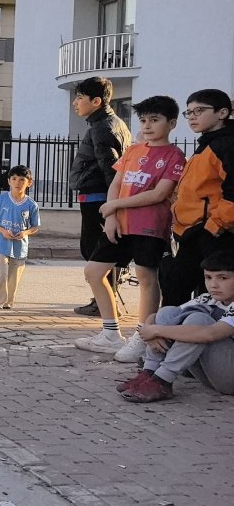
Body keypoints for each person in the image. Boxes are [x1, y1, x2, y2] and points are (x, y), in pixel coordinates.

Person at [74, 96, 186, 358]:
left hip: (150, 226)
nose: (147, 125)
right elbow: (116, 183)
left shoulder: (175, 155)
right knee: (93, 271)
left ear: (171, 123)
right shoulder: (133, 150)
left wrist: (115, 205)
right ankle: (111, 333)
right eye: (143, 120)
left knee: (147, 278)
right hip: (120, 224)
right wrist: (112, 215)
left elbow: (159, 194)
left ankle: (142, 336)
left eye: (154, 120)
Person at [118, 251, 234, 402]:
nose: (214, 284)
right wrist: (150, 329)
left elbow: (210, 333)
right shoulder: (209, 299)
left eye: (223, 278)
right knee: (168, 312)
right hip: (213, 375)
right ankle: (150, 372)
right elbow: (160, 316)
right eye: (208, 277)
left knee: (199, 320)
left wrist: (155, 330)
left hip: (230, 378)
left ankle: (163, 380)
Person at [161, 89, 234, 307]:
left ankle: (177, 335)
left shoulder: (226, 145)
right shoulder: (207, 144)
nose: (192, 116)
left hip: (213, 232)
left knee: (208, 293)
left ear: (222, 113)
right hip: (194, 230)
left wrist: (215, 226)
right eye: (189, 112)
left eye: (199, 110)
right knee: (177, 285)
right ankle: (171, 334)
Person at [68, 76, 132, 317]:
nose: (75, 103)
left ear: (96, 101)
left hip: (99, 199)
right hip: (97, 197)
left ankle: (103, 302)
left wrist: (112, 206)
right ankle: (103, 299)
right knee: (98, 250)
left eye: (80, 98)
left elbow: (111, 169)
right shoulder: (109, 123)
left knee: (95, 251)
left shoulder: (102, 127)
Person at [0, 165, 40, 309]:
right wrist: (2, 231)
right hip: (2, 242)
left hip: (20, 245)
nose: (17, 183)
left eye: (22, 179)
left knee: (14, 276)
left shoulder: (31, 205)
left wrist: (25, 233)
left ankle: (9, 301)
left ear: (29, 182)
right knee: (1, 273)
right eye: (14, 179)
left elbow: (35, 226)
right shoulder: (0, 200)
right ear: (9, 181)